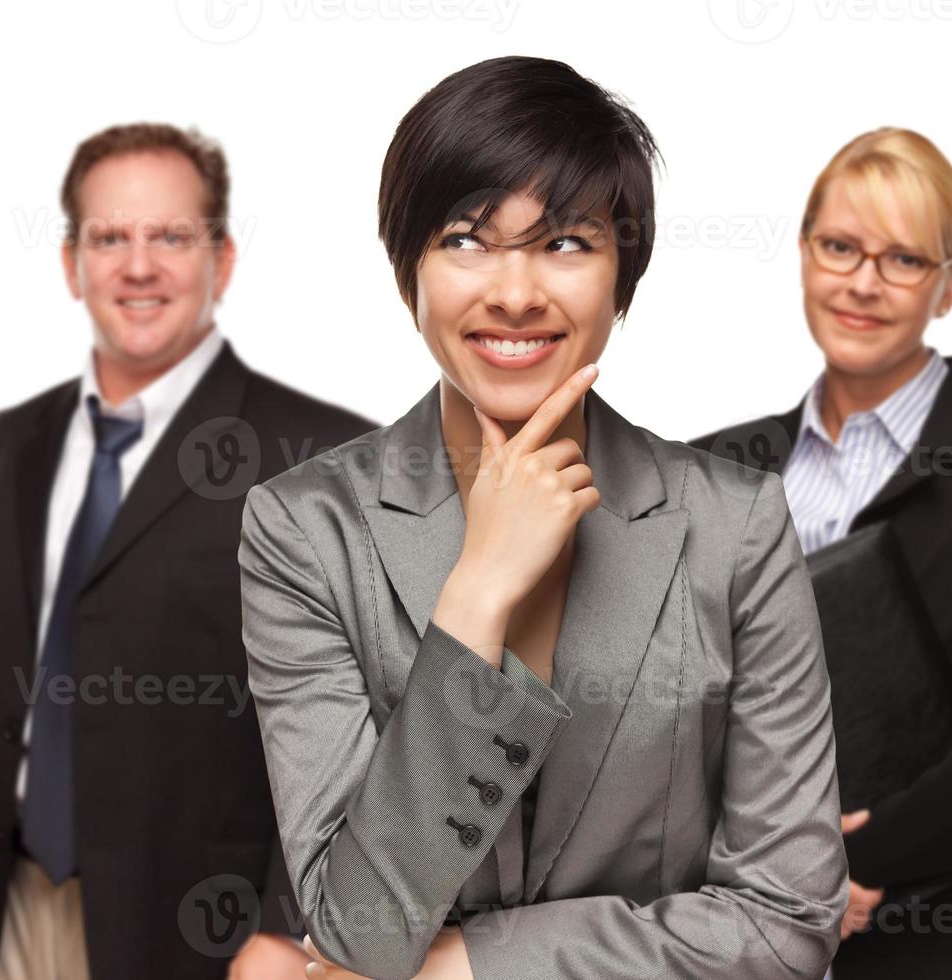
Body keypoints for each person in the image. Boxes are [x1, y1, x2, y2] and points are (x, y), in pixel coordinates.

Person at [239, 56, 848, 979]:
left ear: (621, 276)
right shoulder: (305, 531)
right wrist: (477, 590)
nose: (515, 292)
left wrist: (465, 966)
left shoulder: (736, 528)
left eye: (565, 242)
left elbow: (786, 924)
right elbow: (355, 926)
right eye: (465, 239)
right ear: (409, 267)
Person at [0, 122, 374, 980]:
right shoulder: (9, 443)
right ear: (71, 265)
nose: (139, 266)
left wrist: (285, 926)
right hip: (4, 907)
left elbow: (370, 719)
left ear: (223, 261)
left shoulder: (322, 454)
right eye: (110, 238)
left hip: (205, 931)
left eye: (170, 236)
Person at [692, 127, 952, 978]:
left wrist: (867, 861)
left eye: (904, 260)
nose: (862, 283)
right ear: (805, 253)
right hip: (734, 934)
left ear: (950, 285)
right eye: (839, 246)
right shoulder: (711, 469)